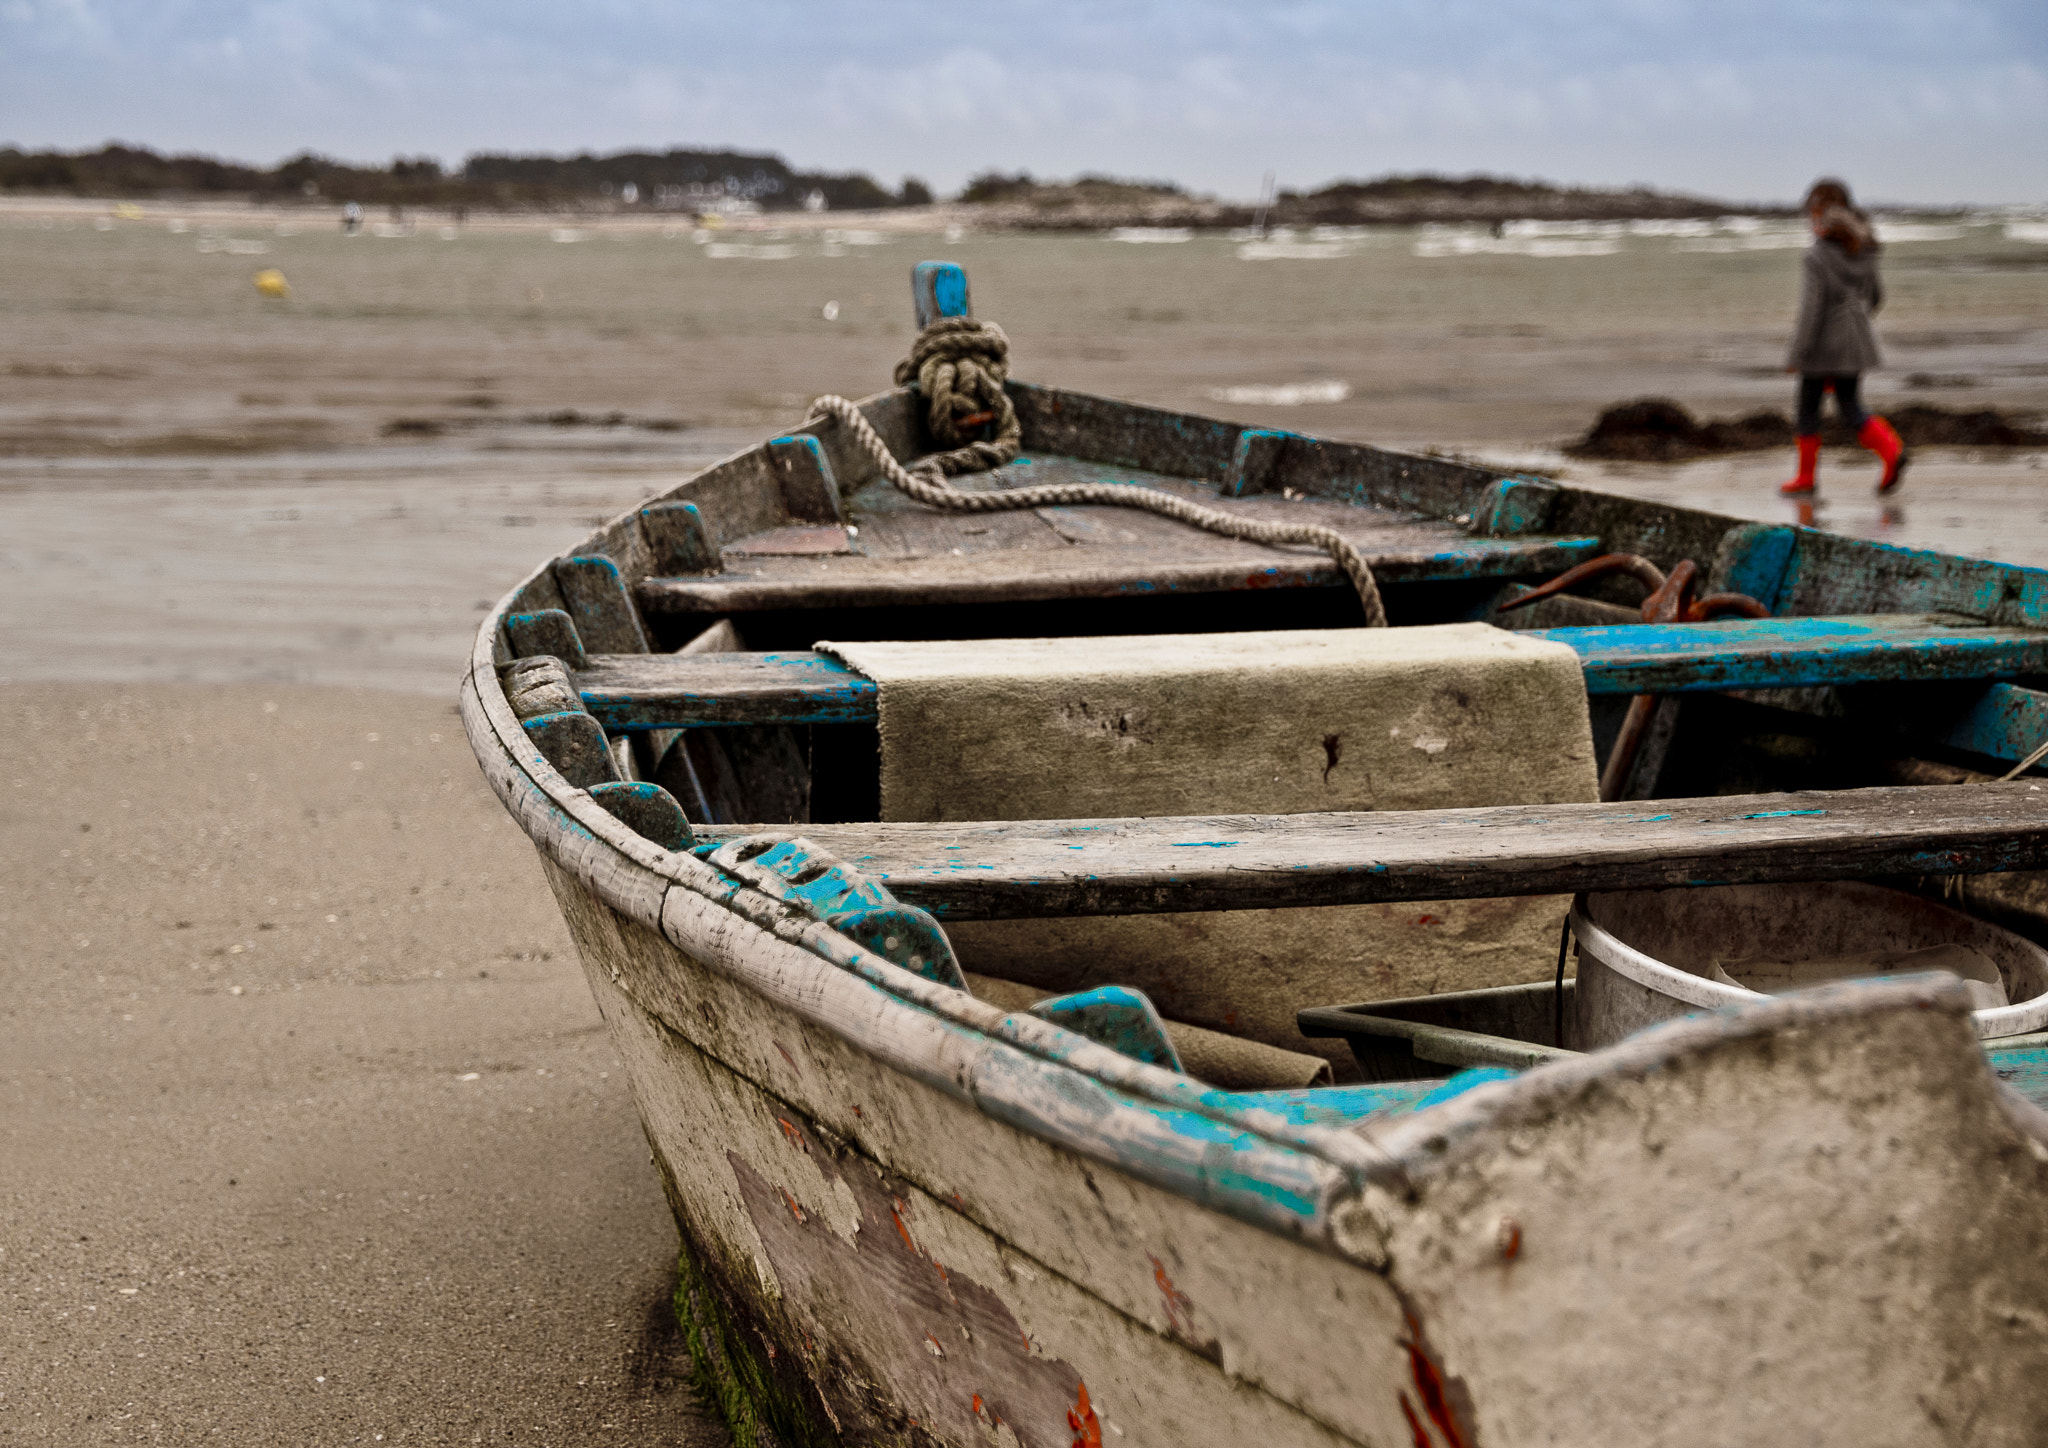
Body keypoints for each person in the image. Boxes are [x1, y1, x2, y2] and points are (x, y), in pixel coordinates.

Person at [1779, 178, 1908, 496]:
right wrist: (1855, 322)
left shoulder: (1816, 257)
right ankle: (1892, 451)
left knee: (1807, 410)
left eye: (1812, 212)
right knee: (1851, 407)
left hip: (1822, 346)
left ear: (1820, 214)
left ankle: (1805, 478)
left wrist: (1798, 354)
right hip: (1855, 341)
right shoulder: (1864, 251)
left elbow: (1812, 310)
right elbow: (1876, 297)